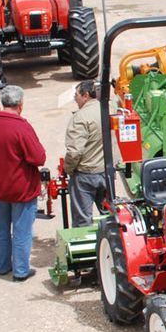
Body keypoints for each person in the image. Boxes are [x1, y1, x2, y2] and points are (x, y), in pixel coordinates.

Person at [0, 84, 47, 282]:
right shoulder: (21, 127)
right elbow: (38, 157)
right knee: (22, 230)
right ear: (20, 104)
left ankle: (1, 266)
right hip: (21, 189)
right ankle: (21, 271)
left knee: (0, 228)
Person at [63, 80, 107, 226]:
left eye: (76, 95)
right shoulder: (109, 109)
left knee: (83, 221)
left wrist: (68, 169)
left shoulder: (80, 117)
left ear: (86, 95)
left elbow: (75, 152)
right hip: (106, 172)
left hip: (85, 175)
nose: (75, 99)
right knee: (110, 215)